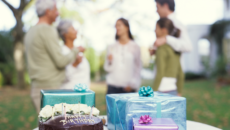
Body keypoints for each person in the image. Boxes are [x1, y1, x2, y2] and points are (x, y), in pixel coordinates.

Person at [24, 0, 84, 113]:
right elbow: (61, 61)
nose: (58, 13)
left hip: (36, 88)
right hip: (50, 90)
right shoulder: (48, 30)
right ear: (48, 11)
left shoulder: (30, 32)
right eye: (56, 9)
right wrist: (77, 50)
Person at [104, 18, 142, 94]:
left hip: (128, 88)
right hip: (112, 87)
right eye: (115, 26)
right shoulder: (111, 47)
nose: (117, 28)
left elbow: (138, 67)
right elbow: (107, 68)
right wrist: (110, 61)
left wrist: (133, 84)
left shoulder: (135, 47)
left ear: (127, 27)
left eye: (119, 25)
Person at [153, 18, 184, 96]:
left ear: (163, 30)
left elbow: (160, 73)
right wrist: (179, 91)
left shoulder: (161, 49)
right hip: (173, 90)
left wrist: (153, 92)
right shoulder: (175, 49)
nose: (154, 31)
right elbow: (180, 73)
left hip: (161, 91)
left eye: (156, 28)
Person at [57, 20, 90, 88]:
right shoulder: (62, 51)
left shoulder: (77, 50)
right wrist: (75, 64)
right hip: (70, 93)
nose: (76, 31)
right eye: (72, 29)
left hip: (83, 94)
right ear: (65, 34)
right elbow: (62, 77)